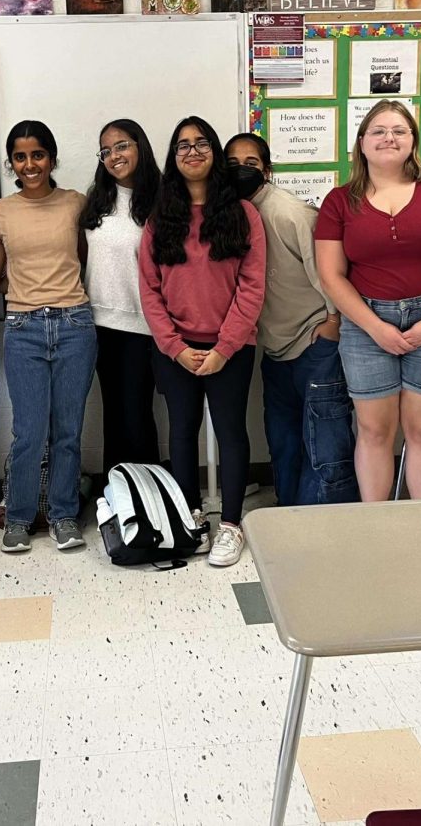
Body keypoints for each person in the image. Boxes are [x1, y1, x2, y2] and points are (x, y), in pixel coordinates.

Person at [315, 101, 421, 502]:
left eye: (399, 131)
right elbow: (332, 276)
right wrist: (376, 327)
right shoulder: (339, 201)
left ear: (413, 141)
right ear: (362, 144)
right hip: (366, 324)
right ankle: (377, 526)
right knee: (373, 431)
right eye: (379, 131)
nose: (389, 138)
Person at [139, 116, 266, 567]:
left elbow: (252, 287)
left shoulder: (243, 214)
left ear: (214, 153)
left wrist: (223, 349)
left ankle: (230, 525)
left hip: (230, 348)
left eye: (201, 144)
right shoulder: (160, 219)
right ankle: (190, 518)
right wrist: (175, 347)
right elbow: (149, 290)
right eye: (182, 146)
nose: (192, 151)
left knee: (231, 433)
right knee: (182, 431)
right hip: (175, 349)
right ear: (173, 159)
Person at [224, 132, 355, 505]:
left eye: (251, 164)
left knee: (325, 444)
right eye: (232, 165)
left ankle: (328, 520)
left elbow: (328, 272)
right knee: (283, 441)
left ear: (267, 170)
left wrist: (332, 324)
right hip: (275, 349)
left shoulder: (290, 213)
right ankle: (289, 512)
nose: (241, 171)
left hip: (314, 346)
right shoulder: (231, 213)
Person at [0, 120, 96, 553]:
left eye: (37, 155)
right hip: (23, 327)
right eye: (20, 156)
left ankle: (63, 515)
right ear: (12, 161)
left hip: (74, 325)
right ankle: (18, 517)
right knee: (29, 431)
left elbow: (84, 260)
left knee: (68, 430)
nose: (29, 164)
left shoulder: (76, 204)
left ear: (51, 157)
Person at [81, 119, 162, 475]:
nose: (114, 156)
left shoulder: (161, 199)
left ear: (140, 146)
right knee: (112, 414)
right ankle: (117, 500)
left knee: (136, 415)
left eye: (122, 146)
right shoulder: (96, 201)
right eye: (106, 150)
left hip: (142, 325)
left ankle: (152, 502)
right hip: (98, 323)